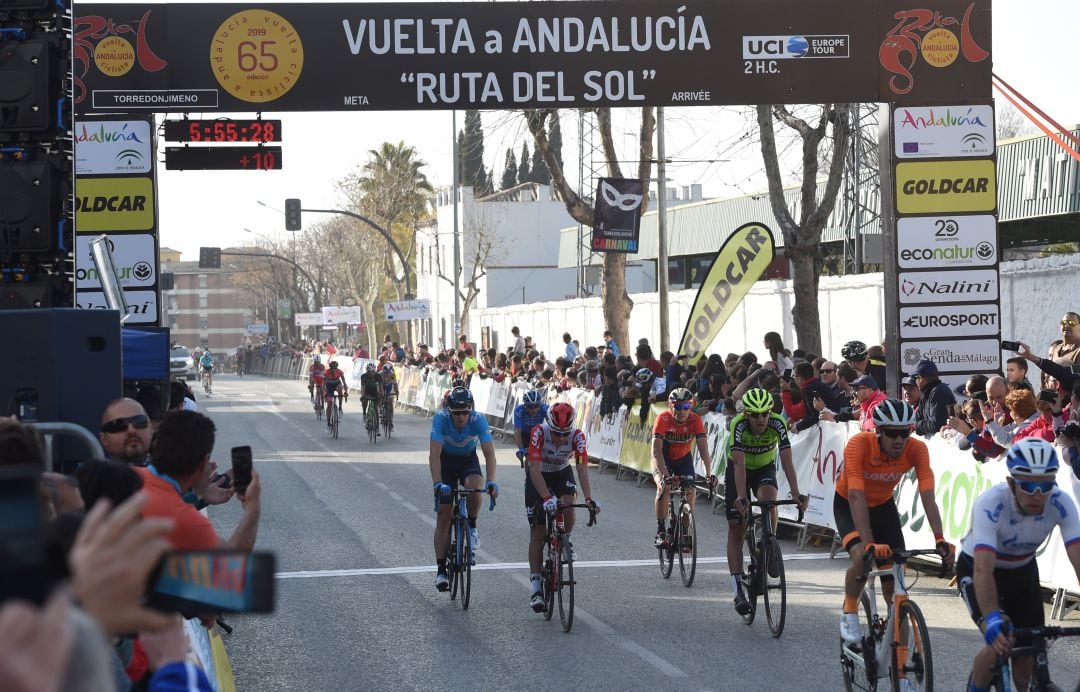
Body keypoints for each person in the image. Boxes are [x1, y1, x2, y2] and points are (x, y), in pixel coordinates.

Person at [957, 438, 1080, 692]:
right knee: (999, 642)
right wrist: (991, 617)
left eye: (1045, 486)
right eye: (1028, 486)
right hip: (978, 570)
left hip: (1022, 572)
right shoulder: (991, 503)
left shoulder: (1060, 502)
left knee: (1027, 659)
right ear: (1012, 483)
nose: (1038, 495)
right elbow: (983, 570)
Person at [836, 399, 952, 644]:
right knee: (862, 558)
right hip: (849, 503)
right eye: (892, 433)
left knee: (897, 590)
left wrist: (940, 538)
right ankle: (849, 611)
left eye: (905, 433)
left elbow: (928, 496)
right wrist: (868, 544)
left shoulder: (917, 449)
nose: (899, 440)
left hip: (883, 507)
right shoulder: (859, 444)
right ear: (878, 431)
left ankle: (902, 671)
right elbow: (856, 495)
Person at [725, 388, 806, 616]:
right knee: (736, 527)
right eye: (755, 414)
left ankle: (767, 545)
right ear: (747, 414)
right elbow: (739, 464)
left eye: (765, 414)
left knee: (769, 501)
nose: (761, 419)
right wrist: (742, 496)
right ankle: (738, 589)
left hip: (763, 467)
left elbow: (787, 459)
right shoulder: (738, 425)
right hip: (738, 469)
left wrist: (796, 492)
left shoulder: (778, 423)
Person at [136, 411, 261, 552]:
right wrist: (253, 507)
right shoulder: (187, 520)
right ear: (203, 463)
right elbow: (231, 560)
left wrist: (198, 495)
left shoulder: (127, 474)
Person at [524, 402, 598, 611]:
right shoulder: (539, 432)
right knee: (538, 531)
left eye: (565, 434)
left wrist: (590, 498)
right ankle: (536, 586)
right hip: (539, 475)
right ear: (549, 426)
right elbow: (535, 470)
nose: (561, 438)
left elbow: (582, 469)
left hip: (562, 472)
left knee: (568, 504)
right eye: (557, 433)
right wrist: (546, 497)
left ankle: (566, 539)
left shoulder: (578, 436)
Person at [430, 387, 499, 591]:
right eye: (456, 413)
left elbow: (489, 455)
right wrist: (437, 484)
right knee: (444, 516)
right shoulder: (441, 419)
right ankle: (441, 569)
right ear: (449, 411)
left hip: (468, 460)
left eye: (465, 412)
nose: (461, 417)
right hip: (446, 463)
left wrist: (492, 481)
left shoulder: (478, 420)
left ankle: (472, 525)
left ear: (471, 410)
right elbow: (434, 455)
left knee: (475, 488)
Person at [651, 388, 715, 547]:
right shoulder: (663, 419)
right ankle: (660, 531)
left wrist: (708, 474)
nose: (682, 411)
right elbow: (656, 451)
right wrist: (665, 475)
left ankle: (685, 532)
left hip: (683, 460)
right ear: (670, 406)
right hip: (662, 459)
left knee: (691, 491)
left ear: (691, 406)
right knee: (663, 487)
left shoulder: (695, 420)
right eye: (678, 407)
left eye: (686, 407)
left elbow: (703, 450)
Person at [98, 398, 153, 466]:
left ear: (151, 430)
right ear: (104, 440)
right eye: (119, 425)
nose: (131, 430)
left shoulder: (168, 472)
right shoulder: (94, 476)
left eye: (140, 421)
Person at [912, 358, 955, 437]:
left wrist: (918, 424)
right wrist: (918, 425)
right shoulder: (926, 393)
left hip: (945, 445)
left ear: (922, 378)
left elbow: (936, 426)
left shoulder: (938, 392)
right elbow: (918, 425)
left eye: (916, 378)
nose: (916, 381)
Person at [1041, 312, 1080, 390]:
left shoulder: (1078, 350)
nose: (1066, 326)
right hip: (1052, 395)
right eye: (1064, 322)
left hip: (1070, 397)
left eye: (1071, 323)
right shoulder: (1056, 348)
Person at [513, 389, 548, 465]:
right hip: (524, 434)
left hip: (538, 433)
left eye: (536, 406)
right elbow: (517, 432)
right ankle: (528, 474)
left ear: (540, 404)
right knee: (529, 458)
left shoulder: (545, 409)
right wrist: (521, 449)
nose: (534, 410)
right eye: (530, 407)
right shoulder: (519, 410)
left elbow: (552, 426)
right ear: (525, 406)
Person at [322, 360, 348, 428]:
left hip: (337, 384)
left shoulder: (339, 372)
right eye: (332, 368)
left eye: (335, 368)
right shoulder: (326, 372)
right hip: (329, 386)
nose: (333, 370)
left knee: (340, 389)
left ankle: (340, 407)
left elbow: (344, 383)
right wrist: (325, 393)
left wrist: (345, 392)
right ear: (330, 368)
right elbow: (323, 386)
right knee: (329, 403)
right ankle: (328, 422)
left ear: (337, 368)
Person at [358, 362, 382, 428]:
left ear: (374, 371)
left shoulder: (378, 376)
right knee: (364, 401)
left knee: (376, 407)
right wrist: (363, 396)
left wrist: (381, 395)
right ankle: (364, 413)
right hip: (366, 389)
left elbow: (380, 386)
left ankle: (377, 426)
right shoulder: (363, 376)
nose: (370, 373)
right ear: (367, 371)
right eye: (369, 372)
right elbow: (363, 387)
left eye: (372, 372)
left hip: (374, 389)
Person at [379, 362, 398, 430]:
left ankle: (391, 420)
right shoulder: (380, 374)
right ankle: (381, 410)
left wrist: (397, 392)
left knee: (391, 401)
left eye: (388, 372)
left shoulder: (393, 374)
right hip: (382, 386)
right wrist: (381, 395)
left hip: (389, 386)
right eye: (386, 373)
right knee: (380, 397)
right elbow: (380, 387)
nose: (387, 374)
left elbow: (395, 384)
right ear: (383, 372)